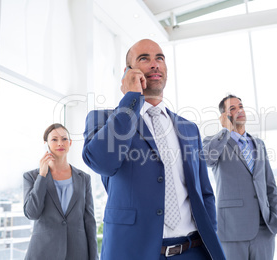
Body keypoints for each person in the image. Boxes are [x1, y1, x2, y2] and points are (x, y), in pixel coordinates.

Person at [82, 39, 225, 259]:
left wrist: (210, 233)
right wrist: (131, 99)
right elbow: (103, 162)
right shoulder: (103, 119)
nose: (154, 64)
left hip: (193, 250)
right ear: (128, 72)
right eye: (144, 59)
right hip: (135, 252)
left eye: (159, 58)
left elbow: (204, 191)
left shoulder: (189, 128)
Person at [202, 95, 277, 260]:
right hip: (232, 230)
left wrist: (275, 219)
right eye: (232, 108)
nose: (240, 111)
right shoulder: (214, 142)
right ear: (224, 116)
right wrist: (225, 131)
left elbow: (269, 185)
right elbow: (207, 160)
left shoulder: (259, 144)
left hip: (264, 230)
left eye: (241, 106)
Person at [23, 123, 98, 260]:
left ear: (70, 143)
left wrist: (94, 257)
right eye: (54, 139)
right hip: (43, 252)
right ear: (46, 144)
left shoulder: (84, 178)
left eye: (64, 139)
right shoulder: (31, 177)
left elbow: (89, 221)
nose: (60, 143)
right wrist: (42, 175)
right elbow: (32, 213)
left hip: (78, 253)